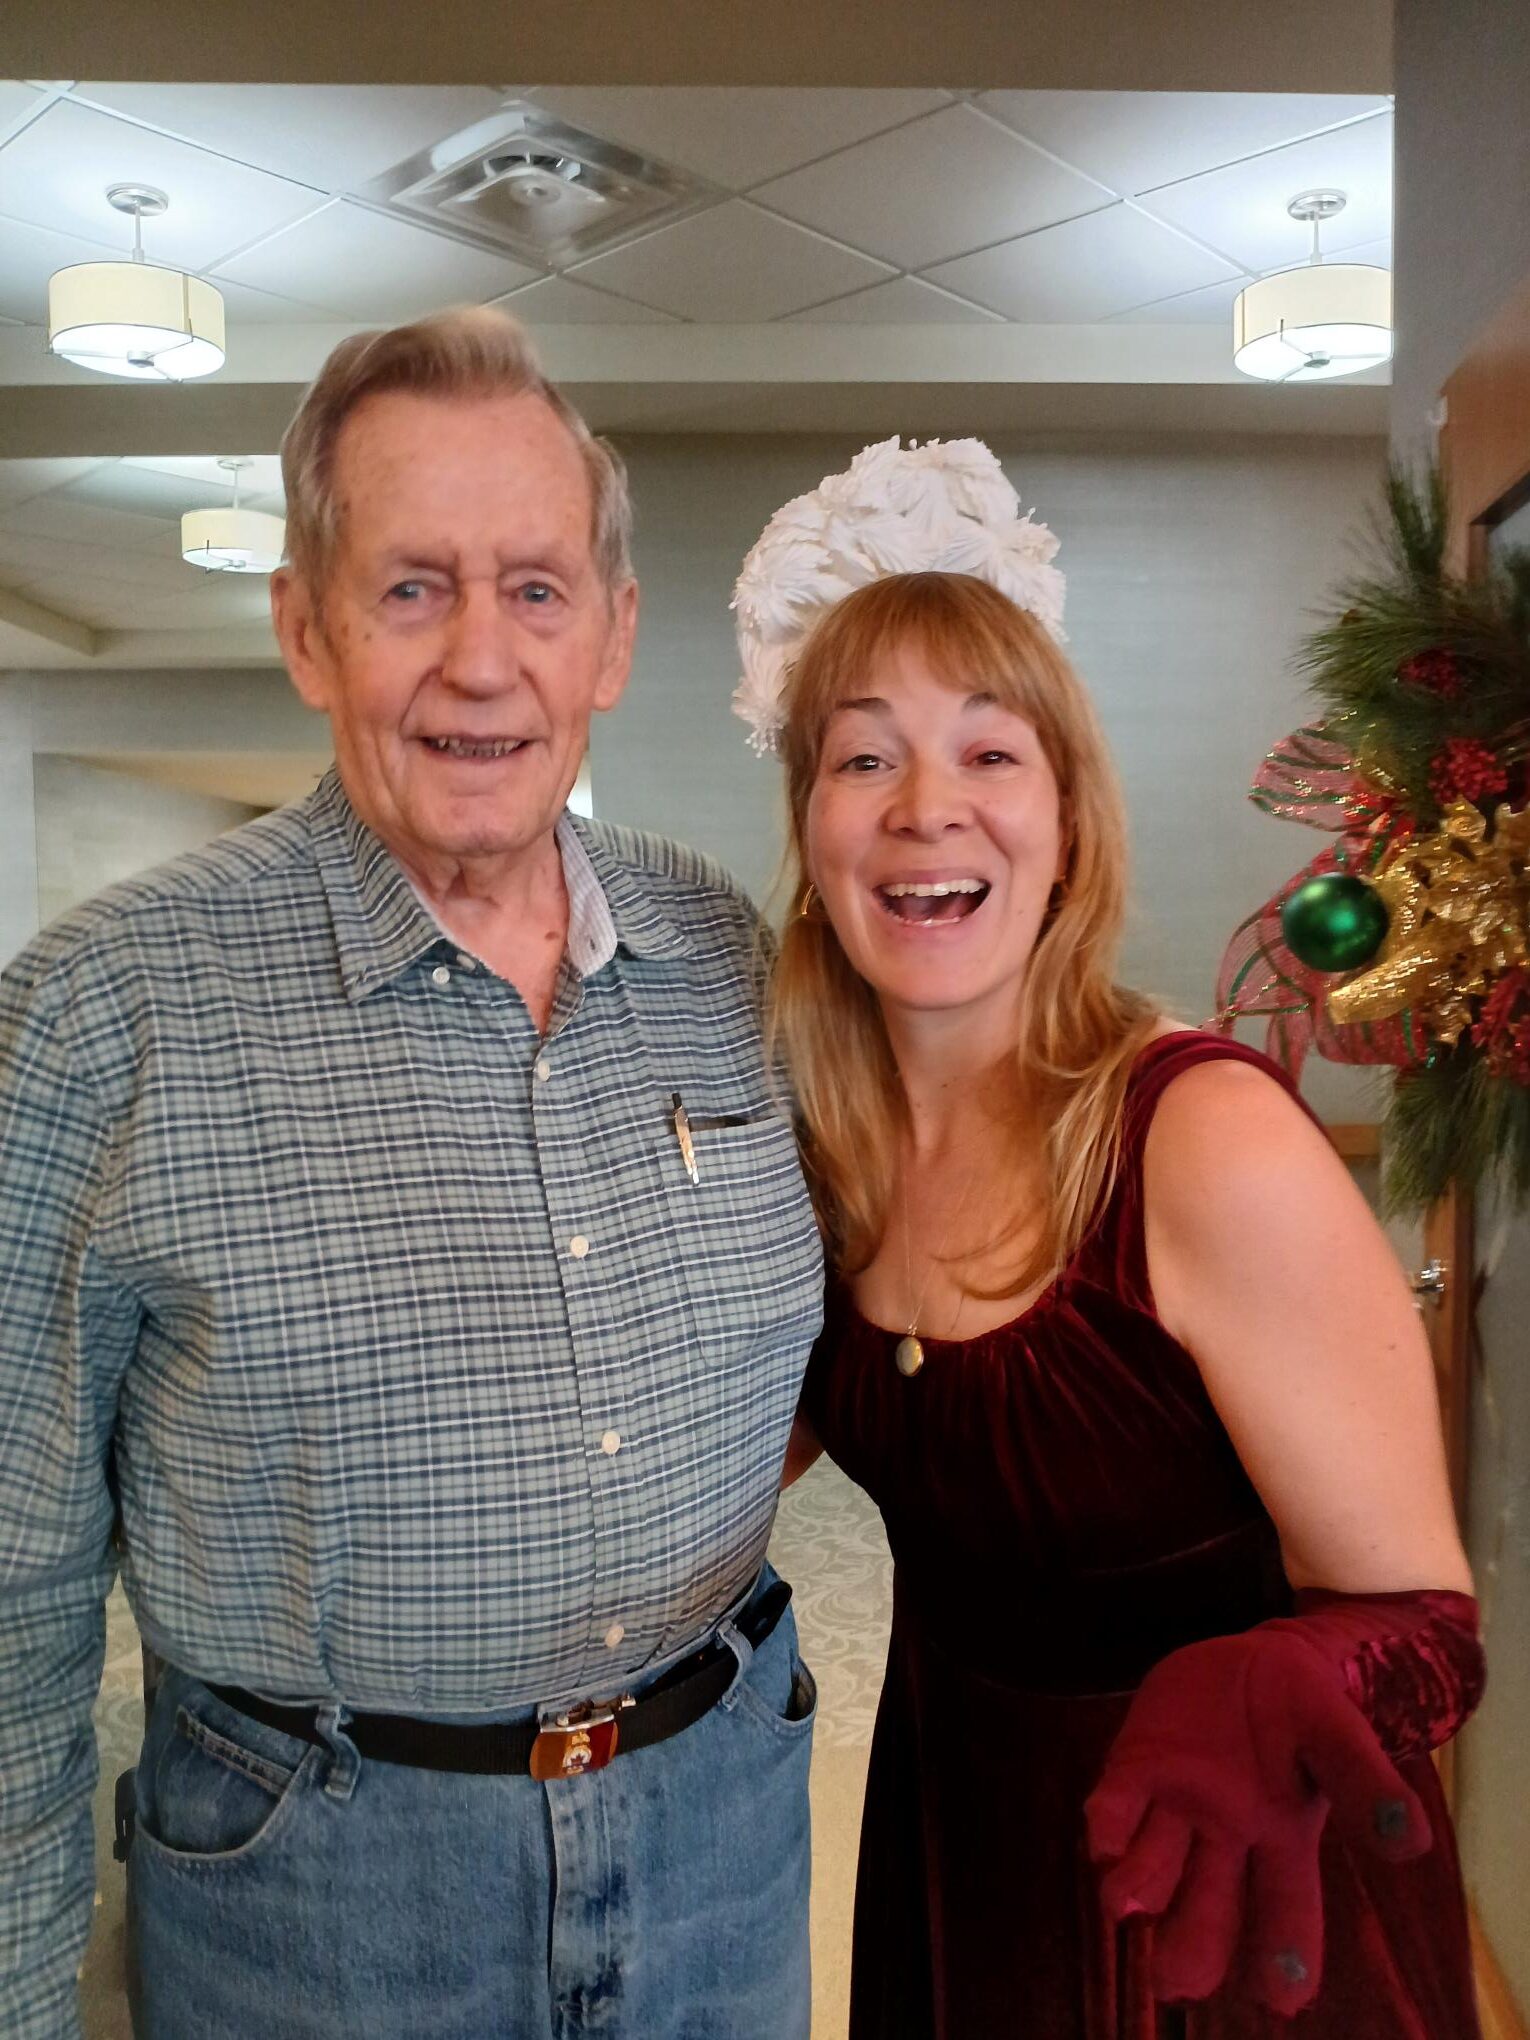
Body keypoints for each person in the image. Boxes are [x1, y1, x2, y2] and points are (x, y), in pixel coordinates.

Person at [0, 307, 823, 2040]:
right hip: (320, 1893)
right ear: (306, 629)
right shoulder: (98, 1016)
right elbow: (13, 1594)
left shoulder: (724, 952)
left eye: (535, 590)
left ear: (612, 636)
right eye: (410, 589)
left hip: (722, 1836)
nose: (479, 660)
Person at [734, 437, 1486, 2037]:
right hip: (959, 1860)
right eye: (862, 759)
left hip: (1229, 1897)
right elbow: (705, 1475)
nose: (926, 807)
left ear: (1066, 822)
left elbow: (1428, 1629)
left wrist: (1273, 1678)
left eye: (987, 752)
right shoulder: (822, 1164)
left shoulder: (1199, 1141)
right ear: (809, 832)